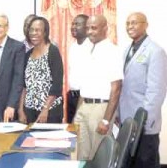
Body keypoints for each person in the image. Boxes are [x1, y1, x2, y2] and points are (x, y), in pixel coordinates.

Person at [119, 12, 167, 168]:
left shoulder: (156, 51)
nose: (130, 26)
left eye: (134, 23)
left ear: (145, 25)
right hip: (127, 121)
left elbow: (156, 91)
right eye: (127, 23)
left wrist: (145, 121)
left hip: (144, 124)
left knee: (145, 163)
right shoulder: (127, 50)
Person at [73, 15, 123, 160]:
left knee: (98, 155)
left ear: (105, 29)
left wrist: (106, 120)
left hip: (101, 109)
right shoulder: (88, 50)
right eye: (88, 28)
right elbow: (86, 85)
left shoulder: (112, 51)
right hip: (84, 107)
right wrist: (78, 112)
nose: (89, 31)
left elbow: (116, 88)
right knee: (81, 154)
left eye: (94, 28)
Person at [18, 16, 63, 124]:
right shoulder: (28, 54)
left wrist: (45, 109)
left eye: (38, 30)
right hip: (29, 111)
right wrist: (20, 110)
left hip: (50, 111)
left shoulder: (53, 51)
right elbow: (24, 85)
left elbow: (56, 85)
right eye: (31, 30)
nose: (33, 33)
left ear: (45, 32)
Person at [67, 14, 91, 123]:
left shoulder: (91, 47)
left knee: (82, 132)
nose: (73, 27)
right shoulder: (73, 47)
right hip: (72, 96)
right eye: (72, 24)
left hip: (86, 98)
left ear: (87, 27)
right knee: (71, 131)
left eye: (77, 24)